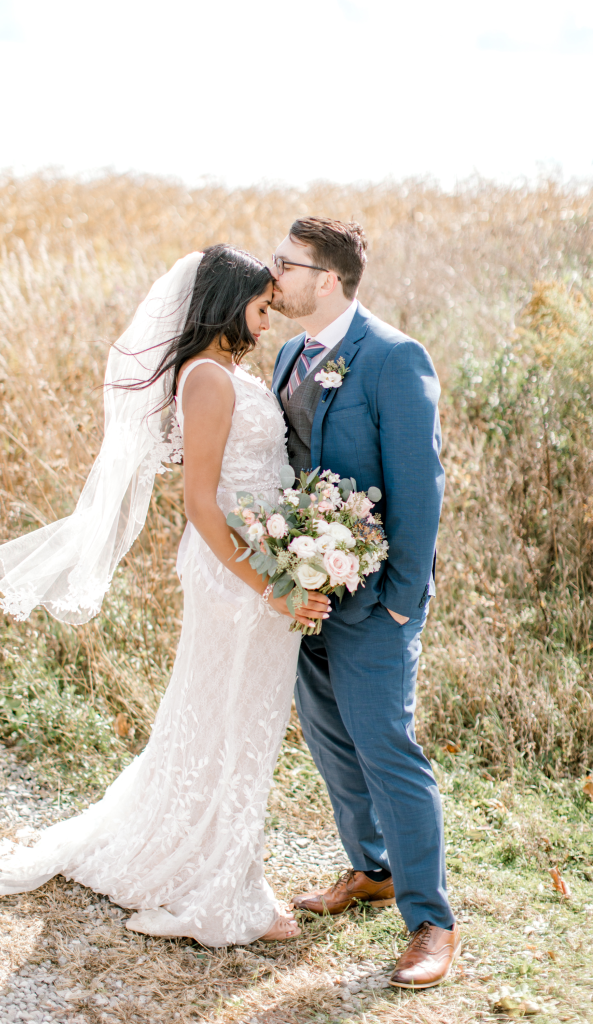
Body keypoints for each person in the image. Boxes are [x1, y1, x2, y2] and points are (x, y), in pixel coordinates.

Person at [0, 245, 329, 947]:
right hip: (239, 577)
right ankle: (223, 890)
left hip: (261, 566)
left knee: (234, 720)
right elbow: (201, 502)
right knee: (233, 722)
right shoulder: (206, 379)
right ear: (227, 304)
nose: (267, 324)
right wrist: (272, 588)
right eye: (260, 309)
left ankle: (199, 858)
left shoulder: (224, 372)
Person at [270, 217, 459, 988]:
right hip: (306, 596)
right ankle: (371, 869)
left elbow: (420, 486)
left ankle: (431, 922)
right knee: (330, 744)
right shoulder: (288, 354)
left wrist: (400, 603)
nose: (273, 274)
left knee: (386, 750)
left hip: (376, 600)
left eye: (285, 263)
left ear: (326, 279)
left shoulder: (392, 356)